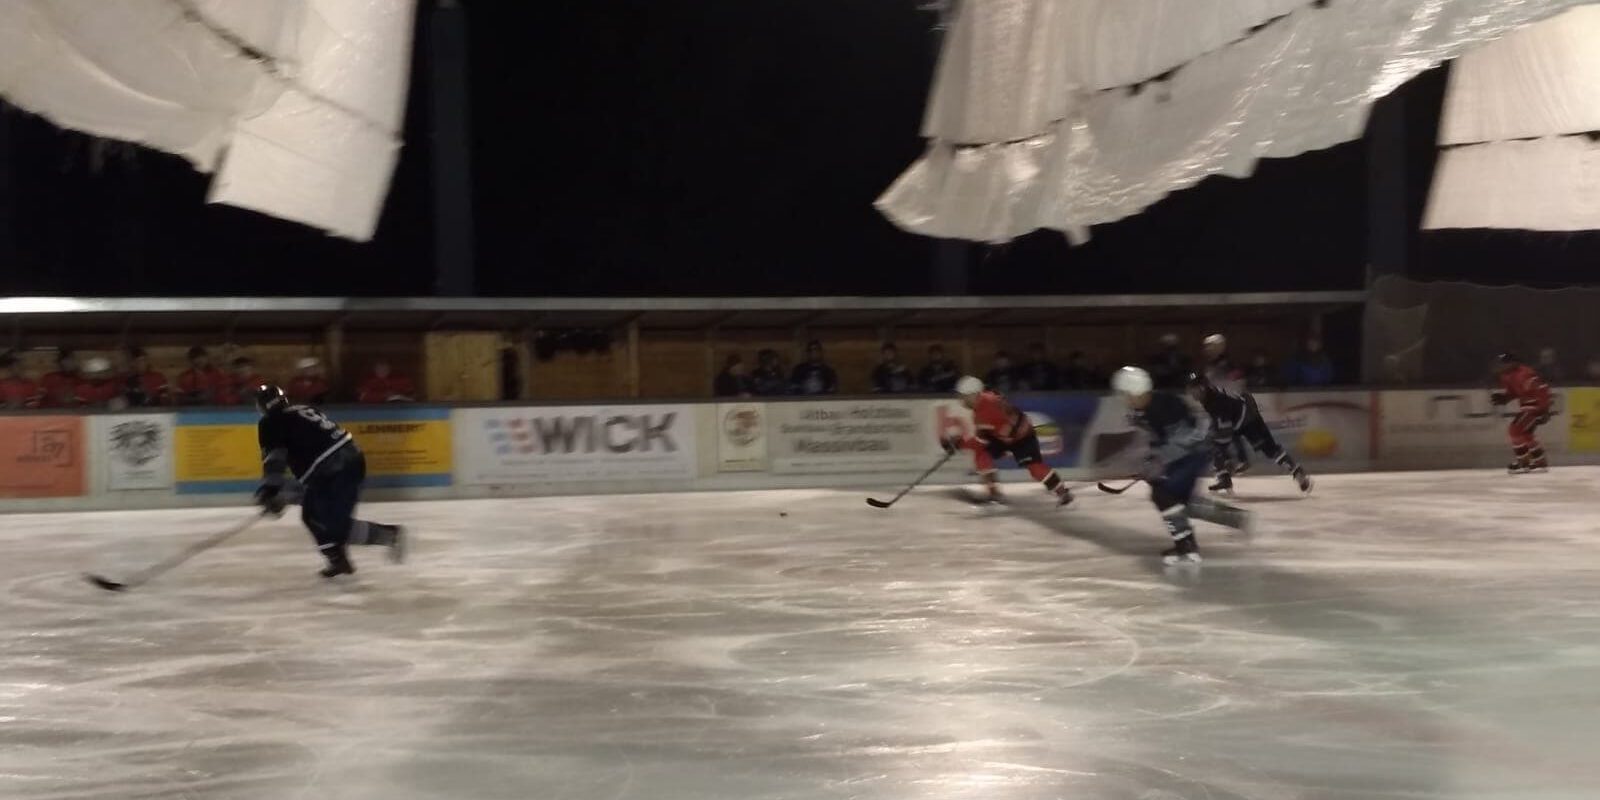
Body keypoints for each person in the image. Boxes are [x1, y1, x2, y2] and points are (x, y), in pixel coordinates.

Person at [253, 384, 407, 578]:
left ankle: (389, 535)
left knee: (331, 524)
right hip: (349, 460)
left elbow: (276, 458)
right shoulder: (303, 409)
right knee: (313, 515)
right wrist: (280, 493)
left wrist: (271, 489)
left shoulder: (269, 422)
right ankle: (337, 559)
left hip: (332, 469)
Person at [1112, 366, 1252, 565]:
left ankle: (1186, 546)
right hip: (1188, 454)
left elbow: (1184, 441)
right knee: (1180, 501)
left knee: (1163, 495)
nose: (1124, 399)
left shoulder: (1165, 406)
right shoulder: (1144, 408)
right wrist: (1151, 460)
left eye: (1125, 394)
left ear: (1135, 392)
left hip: (1193, 454)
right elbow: (1158, 441)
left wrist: (1157, 461)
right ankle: (1233, 518)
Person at [940, 376, 1073, 507]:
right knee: (983, 453)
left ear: (973, 394)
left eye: (963, 396)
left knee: (1034, 468)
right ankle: (994, 493)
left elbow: (979, 441)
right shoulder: (986, 400)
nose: (961, 400)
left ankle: (1061, 492)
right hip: (1006, 435)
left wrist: (959, 443)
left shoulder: (983, 412)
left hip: (1021, 437)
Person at [1186, 373, 1312, 494]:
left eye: (1193, 389)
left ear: (1201, 387)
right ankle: (1296, 471)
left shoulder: (1213, 401)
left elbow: (1224, 429)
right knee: (1269, 449)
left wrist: (1220, 451)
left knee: (1216, 443)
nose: (1191, 393)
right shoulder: (1210, 395)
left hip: (1246, 419)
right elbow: (1230, 414)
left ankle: (1226, 474)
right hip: (1245, 414)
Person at [1491, 352, 1553, 474]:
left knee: (1515, 429)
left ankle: (1524, 463)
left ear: (1513, 363)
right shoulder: (1506, 376)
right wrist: (1504, 398)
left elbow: (1541, 389)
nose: (1501, 366)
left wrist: (1545, 410)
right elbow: (1514, 392)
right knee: (1525, 434)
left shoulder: (1526, 373)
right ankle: (1540, 463)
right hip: (1526, 406)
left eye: (1503, 363)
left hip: (1535, 406)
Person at [1201, 333, 1250, 472]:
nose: (1208, 349)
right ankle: (1231, 460)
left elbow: (1239, 381)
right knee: (1220, 433)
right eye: (1207, 346)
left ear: (1219, 347)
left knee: (1226, 432)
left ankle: (1237, 460)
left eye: (1210, 346)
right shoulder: (1211, 364)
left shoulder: (1226, 364)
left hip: (1227, 403)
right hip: (1217, 404)